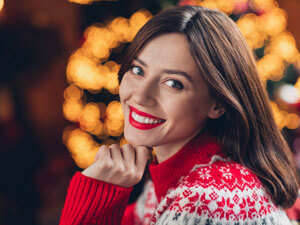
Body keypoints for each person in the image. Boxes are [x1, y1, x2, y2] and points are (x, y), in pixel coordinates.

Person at [59, 5, 299, 225]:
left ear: (217, 104)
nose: (141, 96)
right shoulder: (181, 175)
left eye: (173, 83)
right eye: (137, 70)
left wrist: (94, 189)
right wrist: (102, 190)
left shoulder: (205, 200)